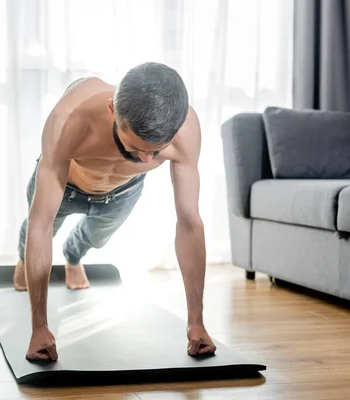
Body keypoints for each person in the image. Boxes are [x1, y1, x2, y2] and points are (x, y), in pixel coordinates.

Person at [14, 62, 217, 362]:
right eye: (136, 149)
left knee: (96, 238)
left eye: (157, 152)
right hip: (67, 184)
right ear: (112, 109)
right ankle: (22, 259)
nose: (147, 159)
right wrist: (39, 328)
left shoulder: (185, 128)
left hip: (122, 191)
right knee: (42, 226)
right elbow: (41, 223)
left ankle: (73, 257)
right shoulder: (70, 120)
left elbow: (189, 222)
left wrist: (196, 322)